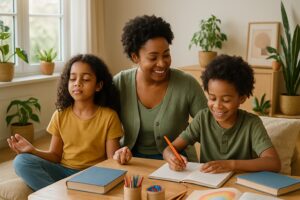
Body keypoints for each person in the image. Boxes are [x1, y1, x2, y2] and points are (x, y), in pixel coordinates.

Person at [7, 54, 128, 191]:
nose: (77, 83)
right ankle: (57, 195)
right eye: (72, 78)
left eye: (86, 79)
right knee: (21, 161)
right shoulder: (60, 115)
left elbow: (111, 161)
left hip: (94, 175)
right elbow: (55, 156)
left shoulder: (109, 117)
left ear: (98, 86)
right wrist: (33, 151)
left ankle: (60, 193)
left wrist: (121, 155)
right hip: (63, 172)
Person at [113, 15, 207, 164]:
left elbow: (208, 126)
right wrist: (116, 152)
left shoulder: (187, 84)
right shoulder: (120, 83)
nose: (162, 63)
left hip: (178, 161)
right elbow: (104, 124)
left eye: (166, 55)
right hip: (133, 162)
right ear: (135, 57)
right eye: (153, 58)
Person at [163, 55, 281, 173]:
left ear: (242, 99)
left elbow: (273, 163)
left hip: (240, 186)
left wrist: (232, 164)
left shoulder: (252, 123)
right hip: (207, 184)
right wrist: (172, 158)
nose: (217, 105)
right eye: (212, 98)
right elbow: (169, 149)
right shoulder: (202, 118)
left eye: (226, 100)